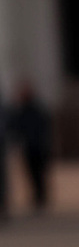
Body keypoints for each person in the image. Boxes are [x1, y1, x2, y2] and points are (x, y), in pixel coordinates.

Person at [7, 82, 50, 210]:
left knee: (39, 173)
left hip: (38, 145)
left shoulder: (36, 109)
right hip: (29, 146)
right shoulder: (21, 110)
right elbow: (16, 127)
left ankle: (41, 197)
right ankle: (37, 196)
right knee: (32, 173)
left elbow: (44, 127)